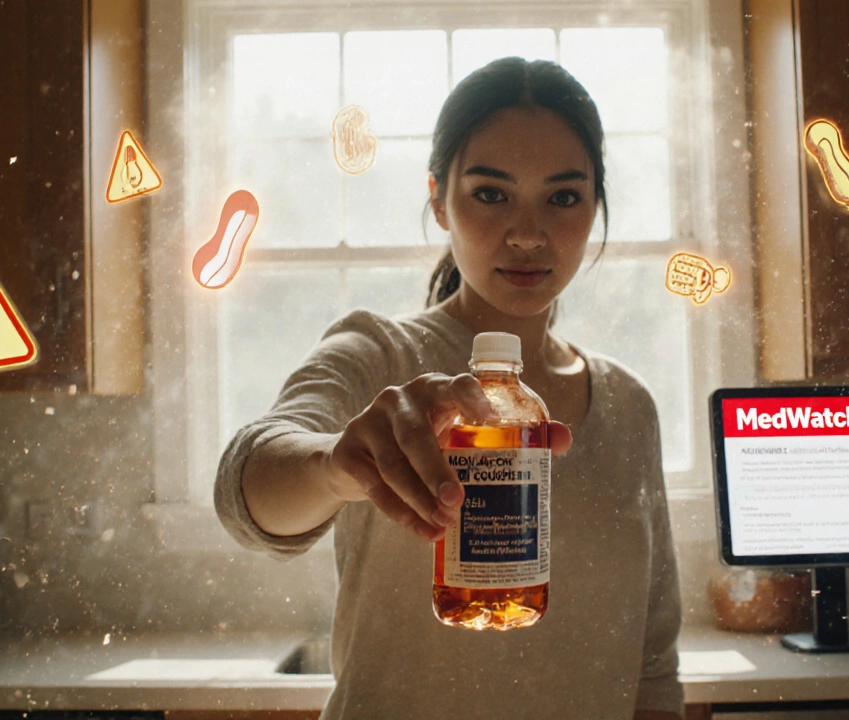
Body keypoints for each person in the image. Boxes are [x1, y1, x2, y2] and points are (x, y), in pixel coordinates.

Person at [215, 57, 683, 720]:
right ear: (438, 198)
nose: (527, 233)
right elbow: (245, 489)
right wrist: (337, 466)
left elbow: (653, 667)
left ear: (596, 205)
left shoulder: (629, 406)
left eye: (563, 196)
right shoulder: (381, 355)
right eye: (491, 194)